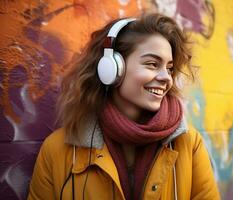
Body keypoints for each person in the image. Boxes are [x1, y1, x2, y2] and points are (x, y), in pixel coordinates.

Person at [28, 13, 220, 200]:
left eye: (169, 68)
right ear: (111, 69)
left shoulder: (189, 144)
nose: (166, 78)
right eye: (152, 64)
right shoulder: (57, 150)